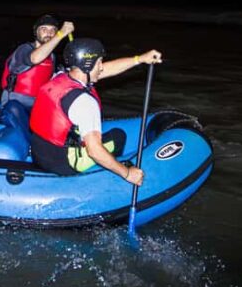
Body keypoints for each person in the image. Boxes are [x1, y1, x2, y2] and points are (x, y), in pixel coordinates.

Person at [29, 37, 163, 184]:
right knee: (118, 137)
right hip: (63, 162)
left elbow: (107, 69)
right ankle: (105, 177)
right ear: (87, 65)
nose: (101, 67)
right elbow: (94, 151)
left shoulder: (60, 76)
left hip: (39, 151)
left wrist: (139, 59)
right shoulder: (85, 103)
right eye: (99, 62)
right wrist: (127, 173)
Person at [0, 14, 75, 137]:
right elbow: (34, 58)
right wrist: (60, 34)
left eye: (53, 30)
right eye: (44, 29)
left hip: (37, 105)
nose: (49, 33)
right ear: (36, 32)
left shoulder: (52, 57)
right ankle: (29, 141)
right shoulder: (24, 49)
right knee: (14, 109)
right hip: (15, 104)